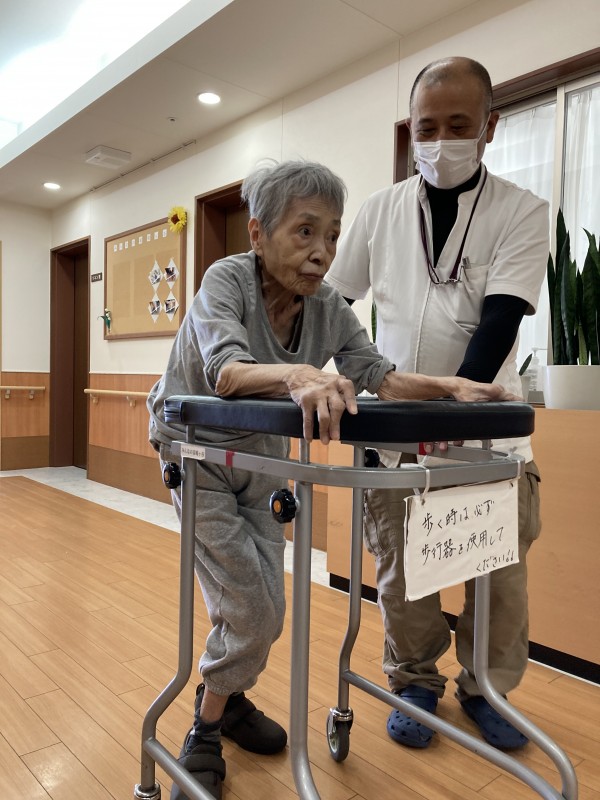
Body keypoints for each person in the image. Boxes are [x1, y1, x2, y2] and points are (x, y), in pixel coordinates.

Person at [147, 159, 516, 799]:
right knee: (254, 608)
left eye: (333, 236)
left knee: (264, 604)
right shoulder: (225, 279)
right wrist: (299, 376)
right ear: (258, 234)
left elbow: (380, 376)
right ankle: (205, 727)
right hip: (197, 452)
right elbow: (226, 373)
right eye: (305, 232)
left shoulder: (325, 307)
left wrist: (451, 385)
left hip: (263, 454)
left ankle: (227, 700)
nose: (322, 252)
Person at [326, 57, 549, 752]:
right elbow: (333, 302)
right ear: (411, 128)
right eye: (427, 127)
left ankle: (487, 690)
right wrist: (339, 369)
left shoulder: (521, 210)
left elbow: (500, 321)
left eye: (459, 124)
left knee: (497, 576)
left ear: (489, 126)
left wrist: (452, 410)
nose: (441, 140)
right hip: (397, 433)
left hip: (488, 433)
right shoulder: (380, 210)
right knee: (403, 571)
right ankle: (414, 679)